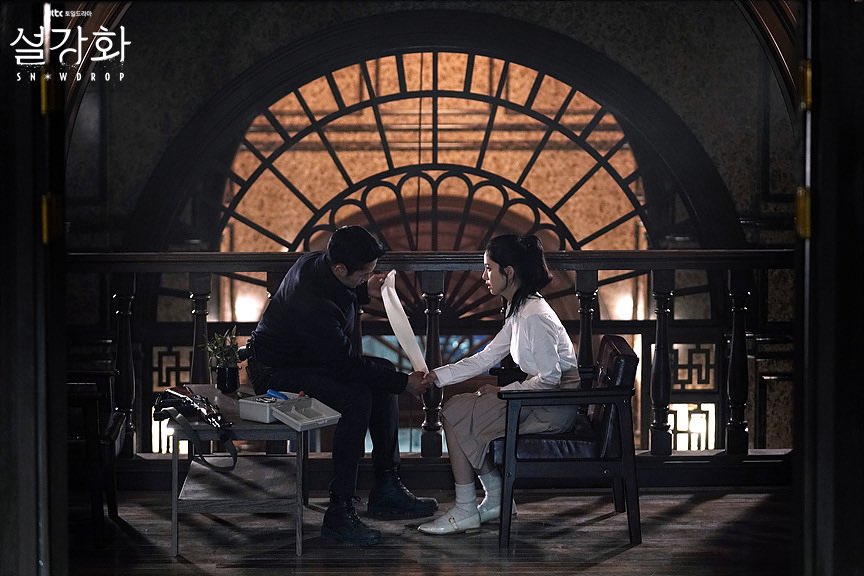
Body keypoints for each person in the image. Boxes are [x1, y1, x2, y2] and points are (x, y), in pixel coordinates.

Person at [246, 225, 438, 546]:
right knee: (356, 397)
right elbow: (345, 366)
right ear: (339, 268)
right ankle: (339, 510)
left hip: (308, 358)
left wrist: (365, 290)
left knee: (383, 371)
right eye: (363, 275)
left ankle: (386, 486)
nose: (367, 278)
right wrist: (405, 383)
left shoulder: (316, 262)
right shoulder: (313, 305)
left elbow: (340, 301)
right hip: (276, 373)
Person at [417, 234, 581, 535]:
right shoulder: (522, 308)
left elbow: (551, 378)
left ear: (509, 272)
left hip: (551, 407)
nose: (484, 276)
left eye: (489, 268)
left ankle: (467, 507)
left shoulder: (534, 316)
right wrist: (437, 376)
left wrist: (506, 392)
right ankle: (494, 498)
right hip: (535, 400)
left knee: (453, 412)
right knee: (458, 408)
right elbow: (487, 357)